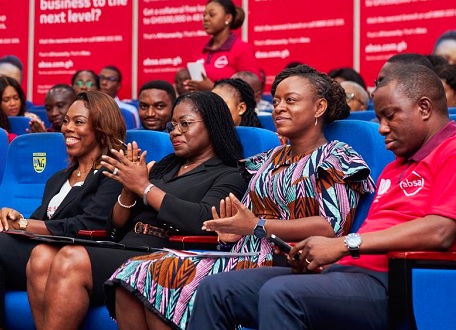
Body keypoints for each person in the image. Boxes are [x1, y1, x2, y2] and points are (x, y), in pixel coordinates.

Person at [188, 64, 456, 330]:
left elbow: (441, 231)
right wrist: (320, 256)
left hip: (400, 284)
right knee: (217, 289)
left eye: (390, 116)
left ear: (424, 107)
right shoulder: (396, 166)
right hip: (349, 271)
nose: (381, 128)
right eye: (379, 117)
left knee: (281, 295)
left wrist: (343, 245)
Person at [108, 65, 376, 330]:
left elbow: (332, 227)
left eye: (290, 101)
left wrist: (257, 226)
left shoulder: (336, 156)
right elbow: (244, 219)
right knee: (134, 272)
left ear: (319, 107)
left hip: (289, 263)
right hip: (241, 256)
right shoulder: (268, 159)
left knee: (156, 275)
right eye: (278, 100)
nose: (279, 107)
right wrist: (231, 230)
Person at [25, 91, 248, 329]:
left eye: (185, 124)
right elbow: (115, 226)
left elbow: (202, 220)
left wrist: (144, 187)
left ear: (213, 125)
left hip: (165, 255)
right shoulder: (165, 167)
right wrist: (128, 191)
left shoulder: (229, 174)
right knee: (42, 254)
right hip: (128, 245)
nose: (175, 131)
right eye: (173, 125)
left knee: (72, 257)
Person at [0, 91, 126, 329]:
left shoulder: (112, 174)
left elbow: (87, 226)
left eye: (79, 122)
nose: (67, 128)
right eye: (66, 121)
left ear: (102, 128)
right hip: (39, 249)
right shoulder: (58, 178)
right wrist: (8, 218)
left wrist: (21, 224)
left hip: (67, 257)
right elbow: (37, 222)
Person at [184, 0, 260, 92]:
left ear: (228, 18)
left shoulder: (242, 48)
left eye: (212, 14)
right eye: (204, 15)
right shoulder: (201, 51)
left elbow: (252, 89)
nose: (206, 18)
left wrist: (213, 88)